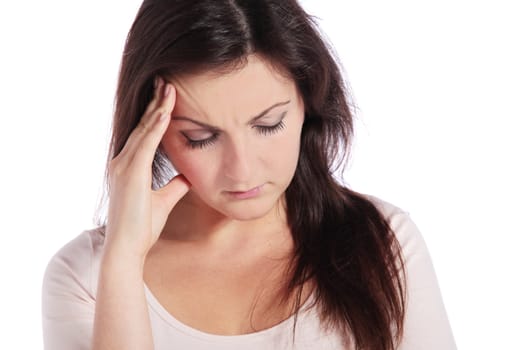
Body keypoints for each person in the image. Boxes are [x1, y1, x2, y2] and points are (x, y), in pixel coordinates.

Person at [42, 0, 456, 349]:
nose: (242, 170)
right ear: (151, 132)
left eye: (268, 125)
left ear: (307, 103)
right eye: (201, 137)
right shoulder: (87, 278)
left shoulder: (384, 245)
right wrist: (124, 257)